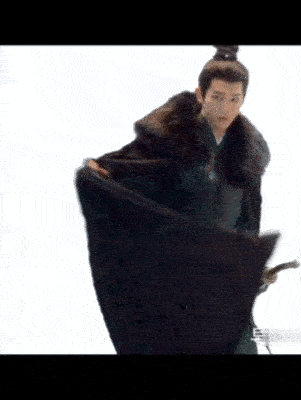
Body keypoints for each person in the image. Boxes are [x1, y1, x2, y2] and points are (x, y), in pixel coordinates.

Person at [80, 45, 273, 354]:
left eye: (234, 99)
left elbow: (248, 222)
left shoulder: (246, 157)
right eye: (217, 97)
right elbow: (129, 174)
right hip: (176, 278)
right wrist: (102, 176)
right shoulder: (169, 140)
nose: (225, 108)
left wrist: (251, 268)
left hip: (223, 283)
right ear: (200, 94)